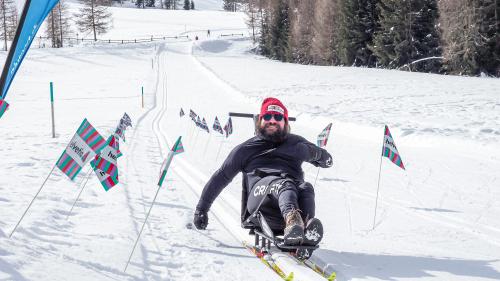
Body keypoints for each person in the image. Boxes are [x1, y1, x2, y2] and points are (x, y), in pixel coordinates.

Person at [193, 97, 332, 246]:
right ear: (260, 120)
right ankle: (293, 222)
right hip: (260, 205)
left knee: (306, 188)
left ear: (285, 122)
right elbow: (221, 177)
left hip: (289, 198)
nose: (272, 120)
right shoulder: (245, 150)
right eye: (267, 116)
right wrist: (201, 209)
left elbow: (328, 161)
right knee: (284, 184)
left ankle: (306, 230)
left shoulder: (295, 142)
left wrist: (311, 152)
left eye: (278, 117)